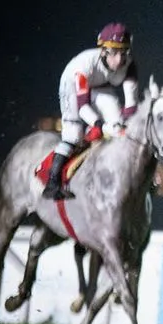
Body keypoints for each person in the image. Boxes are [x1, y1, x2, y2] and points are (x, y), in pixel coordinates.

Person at [42, 22, 140, 200]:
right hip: (73, 85)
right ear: (103, 50)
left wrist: (122, 126)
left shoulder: (130, 66)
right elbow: (83, 108)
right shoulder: (83, 66)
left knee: (118, 127)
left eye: (123, 53)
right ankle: (52, 183)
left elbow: (131, 106)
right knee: (73, 134)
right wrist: (101, 126)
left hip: (101, 86)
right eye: (114, 52)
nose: (119, 60)